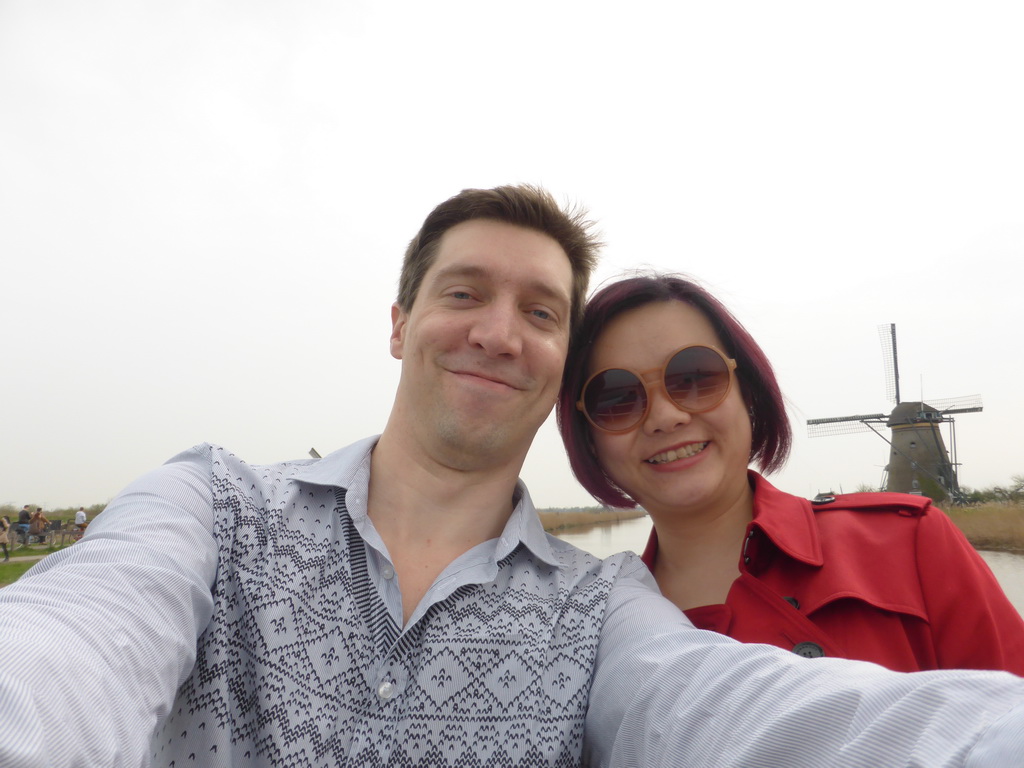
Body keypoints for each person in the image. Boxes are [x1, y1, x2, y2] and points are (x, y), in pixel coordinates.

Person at [1, 188, 1024, 768]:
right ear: (400, 324)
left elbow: (739, 712)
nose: (497, 331)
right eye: (462, 293)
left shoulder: (602, 606)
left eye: (540, 311)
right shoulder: (213, 509)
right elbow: (77, 644)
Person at [558, 272, 1024, 674]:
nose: (665, 416)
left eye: (695, 377)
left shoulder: (910, 545)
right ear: (589, 437)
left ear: (749, 393)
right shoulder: (591, 628)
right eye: (615, 398)